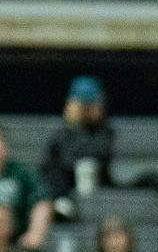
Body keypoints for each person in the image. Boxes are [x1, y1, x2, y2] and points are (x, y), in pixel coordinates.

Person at [41, 76, 115, 216]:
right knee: (55, 170)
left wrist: (94, 123)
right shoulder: (63, 131)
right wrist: (73, 126)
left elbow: (101, 156)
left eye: (91, 104)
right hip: (66, 181)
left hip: (97, 179)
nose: (87, 110)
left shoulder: (106, 131)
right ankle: (62, 201)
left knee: (87, 166)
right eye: (83, 105)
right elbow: (62, 158)